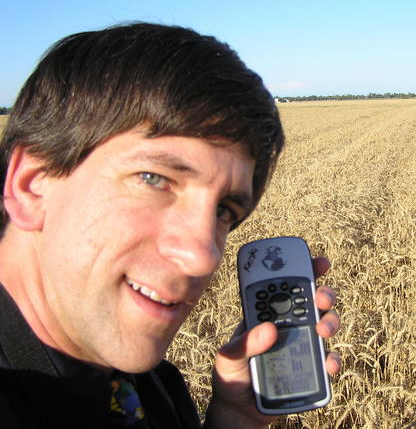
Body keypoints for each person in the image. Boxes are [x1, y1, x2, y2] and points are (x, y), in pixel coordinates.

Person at [0, 23, 341, 428]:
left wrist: (232, 418)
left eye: (225, 212)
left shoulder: (150, 387)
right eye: (153, 179)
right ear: (31, 186)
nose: (203, 256)